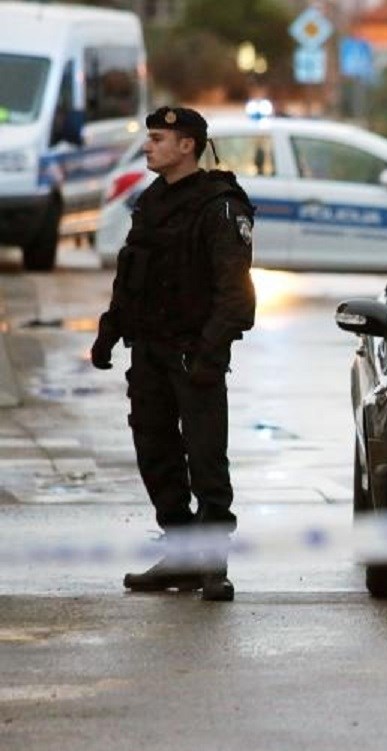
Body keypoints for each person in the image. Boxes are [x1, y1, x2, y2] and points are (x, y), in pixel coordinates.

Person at [90, 106, 256, 601]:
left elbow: (235, 292)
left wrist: (209, 353)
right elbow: (132, 271)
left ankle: (213, 564)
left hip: (193, 353)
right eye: (150, 138)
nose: (148, 146)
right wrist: (109, 329)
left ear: (188, 145)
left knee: (206, 457)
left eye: (159, 138)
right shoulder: (152, 202)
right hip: (150, 353)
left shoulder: (219, 205)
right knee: (155, 452)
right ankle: (181, 553)